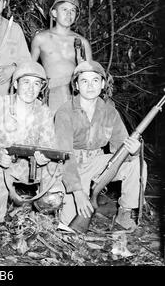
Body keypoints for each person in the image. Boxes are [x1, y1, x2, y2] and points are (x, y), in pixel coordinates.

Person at [55, 60, 147, 231]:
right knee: (68, 227)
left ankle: (125, 213)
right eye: (84, 81)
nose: (90, 86)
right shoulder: (64, 112)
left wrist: (134, 152)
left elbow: (121, 148)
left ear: (103, 84)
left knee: (136, 164)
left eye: (95, 80)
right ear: (76, 85)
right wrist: (77, 192)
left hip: (98, 164)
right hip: (70, 168)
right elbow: (64, 155)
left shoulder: (110, 112)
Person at [0, 61, 65, 227]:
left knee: (54, 190)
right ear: (15, 84)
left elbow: (48, 146)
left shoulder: (43, 112)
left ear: (41, 88)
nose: (31, 88)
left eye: (36, 84)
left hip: (29, 167)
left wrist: (43, 159)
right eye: (26, 82)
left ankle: (42, 215)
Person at [31, 0, 92, 113]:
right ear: (54, 13)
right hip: (52, 93)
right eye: (64, 9)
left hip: (75, 92)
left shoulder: (82, 42)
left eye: (73, 11)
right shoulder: (41, 38)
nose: (69, 14)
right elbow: (30, 69)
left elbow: (91, 73)